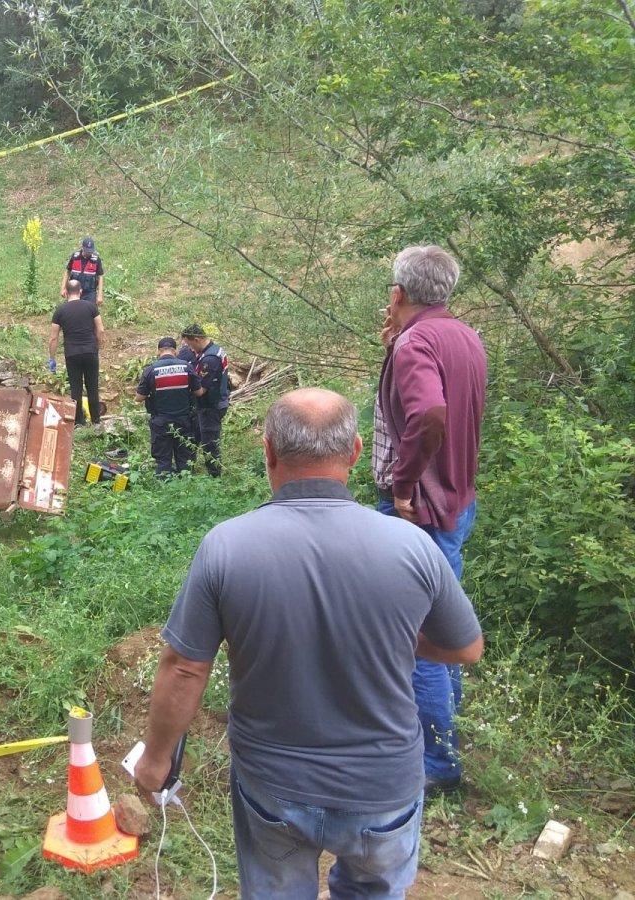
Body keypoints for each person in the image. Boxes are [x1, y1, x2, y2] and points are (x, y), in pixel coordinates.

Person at [134, 388, 484, 899]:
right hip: (382, 787)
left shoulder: (227, 546)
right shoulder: (411, 546)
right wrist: (398, 639)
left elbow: (186, 668)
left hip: (273, 789)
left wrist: (157, 759)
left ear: (268, 450)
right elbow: (466, 648)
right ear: (358, 452)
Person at [375, 244, 486, 795]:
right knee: (446, 628)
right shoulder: (463, 336)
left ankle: (437, 765)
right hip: (458, 501)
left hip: (421, 508)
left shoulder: (416, 342)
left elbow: (429, 414)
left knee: (414, 638)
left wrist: (402, 483)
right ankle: (449, 736)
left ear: (398, 293)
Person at [134, 337, 204, 476]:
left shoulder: (151, 370)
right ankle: (186, 485)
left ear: (159, 351)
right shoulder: (186, 367)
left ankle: (165, 486)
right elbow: (199, 392)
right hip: (184, 420)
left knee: (163, 460)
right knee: (185, 458)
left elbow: (139, 398)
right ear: (175, 351)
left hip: (161, 422)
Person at [48, 279, 105, 426]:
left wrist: (52, 358)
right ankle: (96, 421)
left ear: (66, 292)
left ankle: (79, 422)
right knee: (92, 386)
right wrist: (97, 346)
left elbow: (53, 338)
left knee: (76, 388)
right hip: (90, 351)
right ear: (80, 291)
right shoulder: (91, 307)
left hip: (72, 353)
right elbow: (100, 329)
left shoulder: (60, 311)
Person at [178, 324, 230, 476]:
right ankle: (189, 470)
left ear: (197, 339)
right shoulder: (215, 350)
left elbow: (201, 391)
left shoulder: (210, 359)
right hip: (216, 401)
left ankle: (214, 477)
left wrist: (186, 378)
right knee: (196, 437)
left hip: (211, 406)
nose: (191, 350)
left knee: (210, 444)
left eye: (190, 345)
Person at [61, 236, 104, 306]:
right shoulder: (75, 257)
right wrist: (63, 288)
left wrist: (100, 295)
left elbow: (100, 277)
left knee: (90, 312)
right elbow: (67, 272)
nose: (89, 253)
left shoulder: (96, 260)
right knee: (72, 311)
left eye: (90, 251)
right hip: (74, 291)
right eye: (87, 251)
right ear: (82, 248)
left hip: (89, 292)